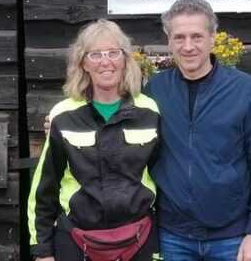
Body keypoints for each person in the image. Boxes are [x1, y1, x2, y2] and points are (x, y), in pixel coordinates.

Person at [147, 0, 251, 261]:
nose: (188, 46)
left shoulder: (244, 90)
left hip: (231, 237)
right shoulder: (155, 89)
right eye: (179, 37)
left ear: (212, 38)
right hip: (172, 236)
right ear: (169, 41)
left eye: (197, 36)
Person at [27, 19, 161, 261]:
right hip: (76, 242)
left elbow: (165, 176)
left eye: (113, 53)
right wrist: (42, 251)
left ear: (125, 59)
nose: (105, 62)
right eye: (95, 54)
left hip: (139, 240)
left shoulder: (149, 111)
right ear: (83, 63)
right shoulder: (63, 115)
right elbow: (44, 188)